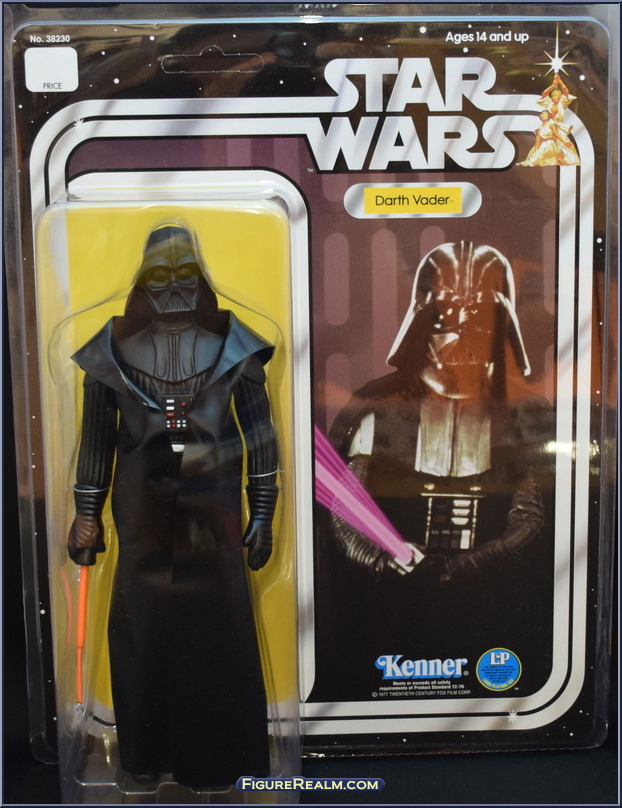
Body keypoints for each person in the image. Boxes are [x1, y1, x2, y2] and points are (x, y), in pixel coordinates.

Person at [67, 224, 278, 788]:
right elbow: (95, 441)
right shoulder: (110, 351)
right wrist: (87, 513)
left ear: (202, 280)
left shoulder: (234, 347)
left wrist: (263, 511)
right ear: (142, 283)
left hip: (214, 506)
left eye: (186, 275)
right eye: (160, 277)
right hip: (140, 506)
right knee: (141, 631)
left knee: (220, 633)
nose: (175, 290)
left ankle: (221, 761)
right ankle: (142, 760)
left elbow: (261, 436)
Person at [312, 241, 554, 702]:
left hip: (489, 608)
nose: (462, 334)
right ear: (422, 322)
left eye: (480, 318)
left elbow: (533, 516)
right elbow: (345, 512)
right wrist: (390, 560)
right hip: (388, 606)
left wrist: (468, 567)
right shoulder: (379, 408)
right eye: (445, 319)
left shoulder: (525, 413)